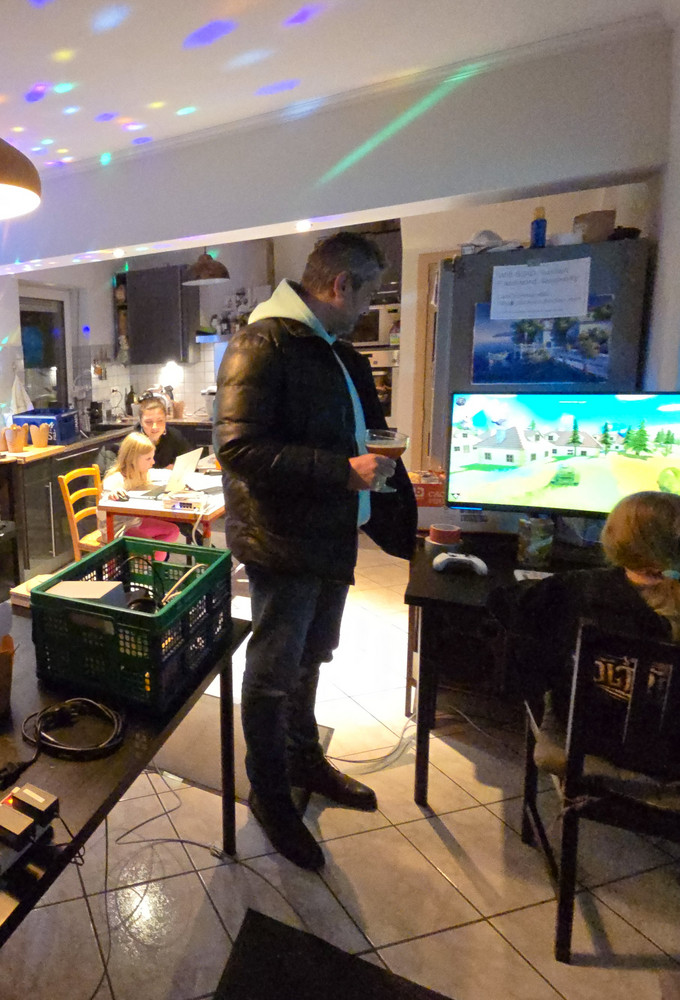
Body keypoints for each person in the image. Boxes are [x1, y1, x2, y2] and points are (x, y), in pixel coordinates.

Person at [214, 231, 417, 870]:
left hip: (327, 533)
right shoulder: (260, 344)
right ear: (340, 285)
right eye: (368, 293)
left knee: (313, 656)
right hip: (281, 540)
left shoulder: (328, 348)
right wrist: (340, 471)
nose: (369, 307)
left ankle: (303, 760)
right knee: (274, 671)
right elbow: (237, 449)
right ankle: (269, 794)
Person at [497, 490, 680, 722]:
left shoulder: (576, 587)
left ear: (614, 538)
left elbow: (503, 604)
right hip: (679, 739)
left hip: (586, 730)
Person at [101, 432, 183, 545]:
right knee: (150, 546)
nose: (153, 462)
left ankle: (150, 554)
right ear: (132, 459)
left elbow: (163, 474)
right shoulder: (115, 479)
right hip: (117, 529)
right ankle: (149, 553)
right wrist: (110, 496)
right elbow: (101, 512)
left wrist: (180, 473)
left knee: (173, 531)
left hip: (136, 523)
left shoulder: (142, 473)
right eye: (148, 459)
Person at [137, 395, 191, 469]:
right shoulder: (133, 441)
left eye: (160, 421)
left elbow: (188, 458)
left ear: (165, 420)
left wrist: (177, 466)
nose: (155, 427)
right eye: (148, 422)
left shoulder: (174, 435)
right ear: (141, 422)